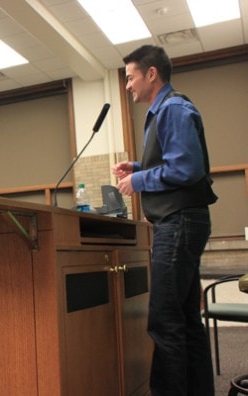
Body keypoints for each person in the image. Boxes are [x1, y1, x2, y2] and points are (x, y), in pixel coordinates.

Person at [112, 45, 217, 396]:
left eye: (130, 77)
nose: (128, 85)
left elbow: (187, 169)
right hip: (183, 220)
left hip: (179, 221)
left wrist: (138, 181)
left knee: (164, 321)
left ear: (151, 74)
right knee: (186, 320)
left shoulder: (172, 109)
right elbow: (175, 162)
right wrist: (139, 167)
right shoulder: (164, 111)